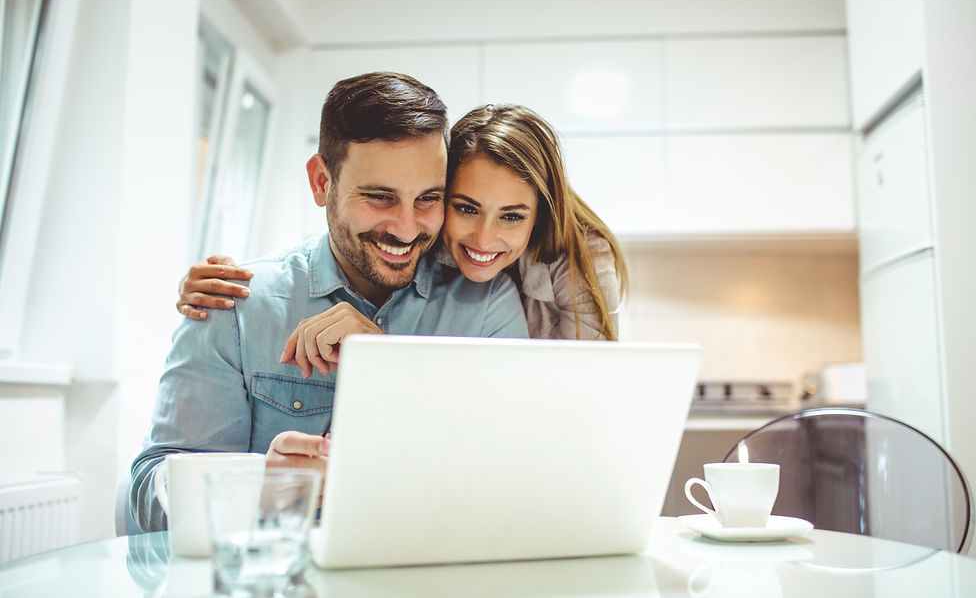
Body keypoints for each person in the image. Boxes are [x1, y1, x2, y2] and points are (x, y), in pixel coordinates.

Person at [131, 72, 528, 532]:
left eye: (428, 199)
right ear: (322, 182)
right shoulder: (234, 305)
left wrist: (388, 362)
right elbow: (145, 498)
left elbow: (511, 479)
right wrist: (262, 483)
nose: (405, 227)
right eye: (380, 197)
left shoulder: (486, 304)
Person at [178, 103, 628, 350]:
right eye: (465, 208)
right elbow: (340, 247)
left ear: (539, 216)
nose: (485, 238)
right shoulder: (419, 236)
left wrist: (384, 355)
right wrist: (231, 278)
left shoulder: (579, 260)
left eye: (512, 216)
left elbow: (590, 394)